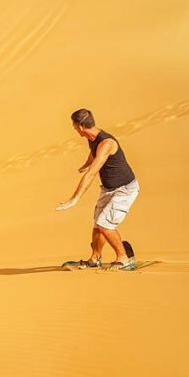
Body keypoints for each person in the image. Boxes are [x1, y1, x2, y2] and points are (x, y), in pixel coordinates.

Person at [56, 108, 139, 269]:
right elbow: (94, 153)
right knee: (97, 225)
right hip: (109, 188)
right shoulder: (92, 137)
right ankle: (94, 259)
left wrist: (74, 199)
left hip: (125, 189)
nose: (73, 128)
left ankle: (124, 259)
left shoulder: (106, 143)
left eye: (73, 126)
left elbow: (92, 174)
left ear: (80, 127)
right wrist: (86, 164)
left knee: (105, 225)